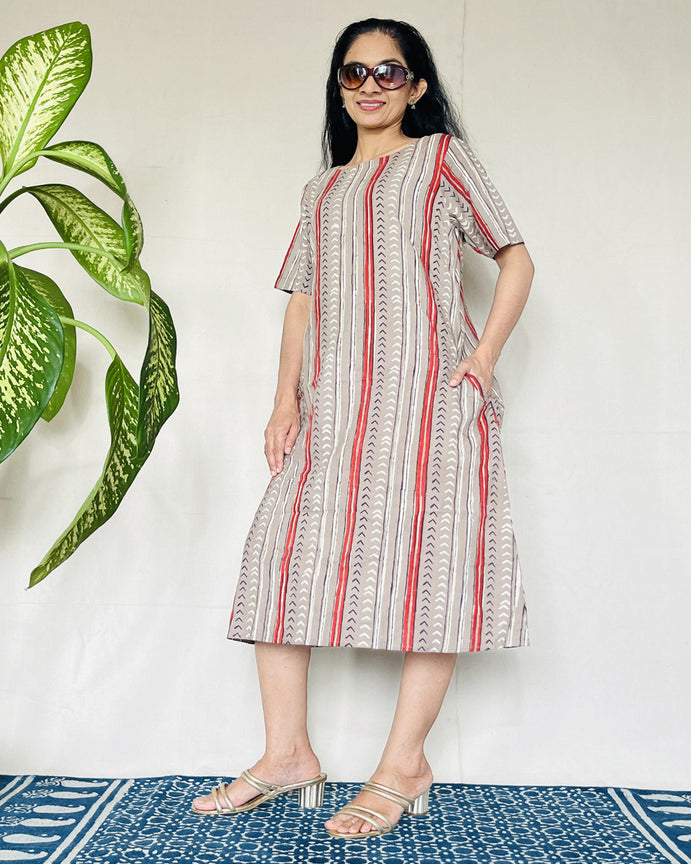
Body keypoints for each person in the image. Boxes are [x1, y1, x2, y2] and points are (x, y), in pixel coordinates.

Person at [192, 17, 534, 839]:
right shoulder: (322, 190)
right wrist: (284, 402)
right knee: (279, 565)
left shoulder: (443, 160)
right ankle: (287, 755)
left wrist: (482, 359)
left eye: (390, 71)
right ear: (339, 86)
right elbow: (303, 301)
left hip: (429, 402)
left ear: (416, 86)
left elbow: (515, 256)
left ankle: (402, 766)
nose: (371, 85)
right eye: (355, 72)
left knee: (431, 576)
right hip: (334, 410)